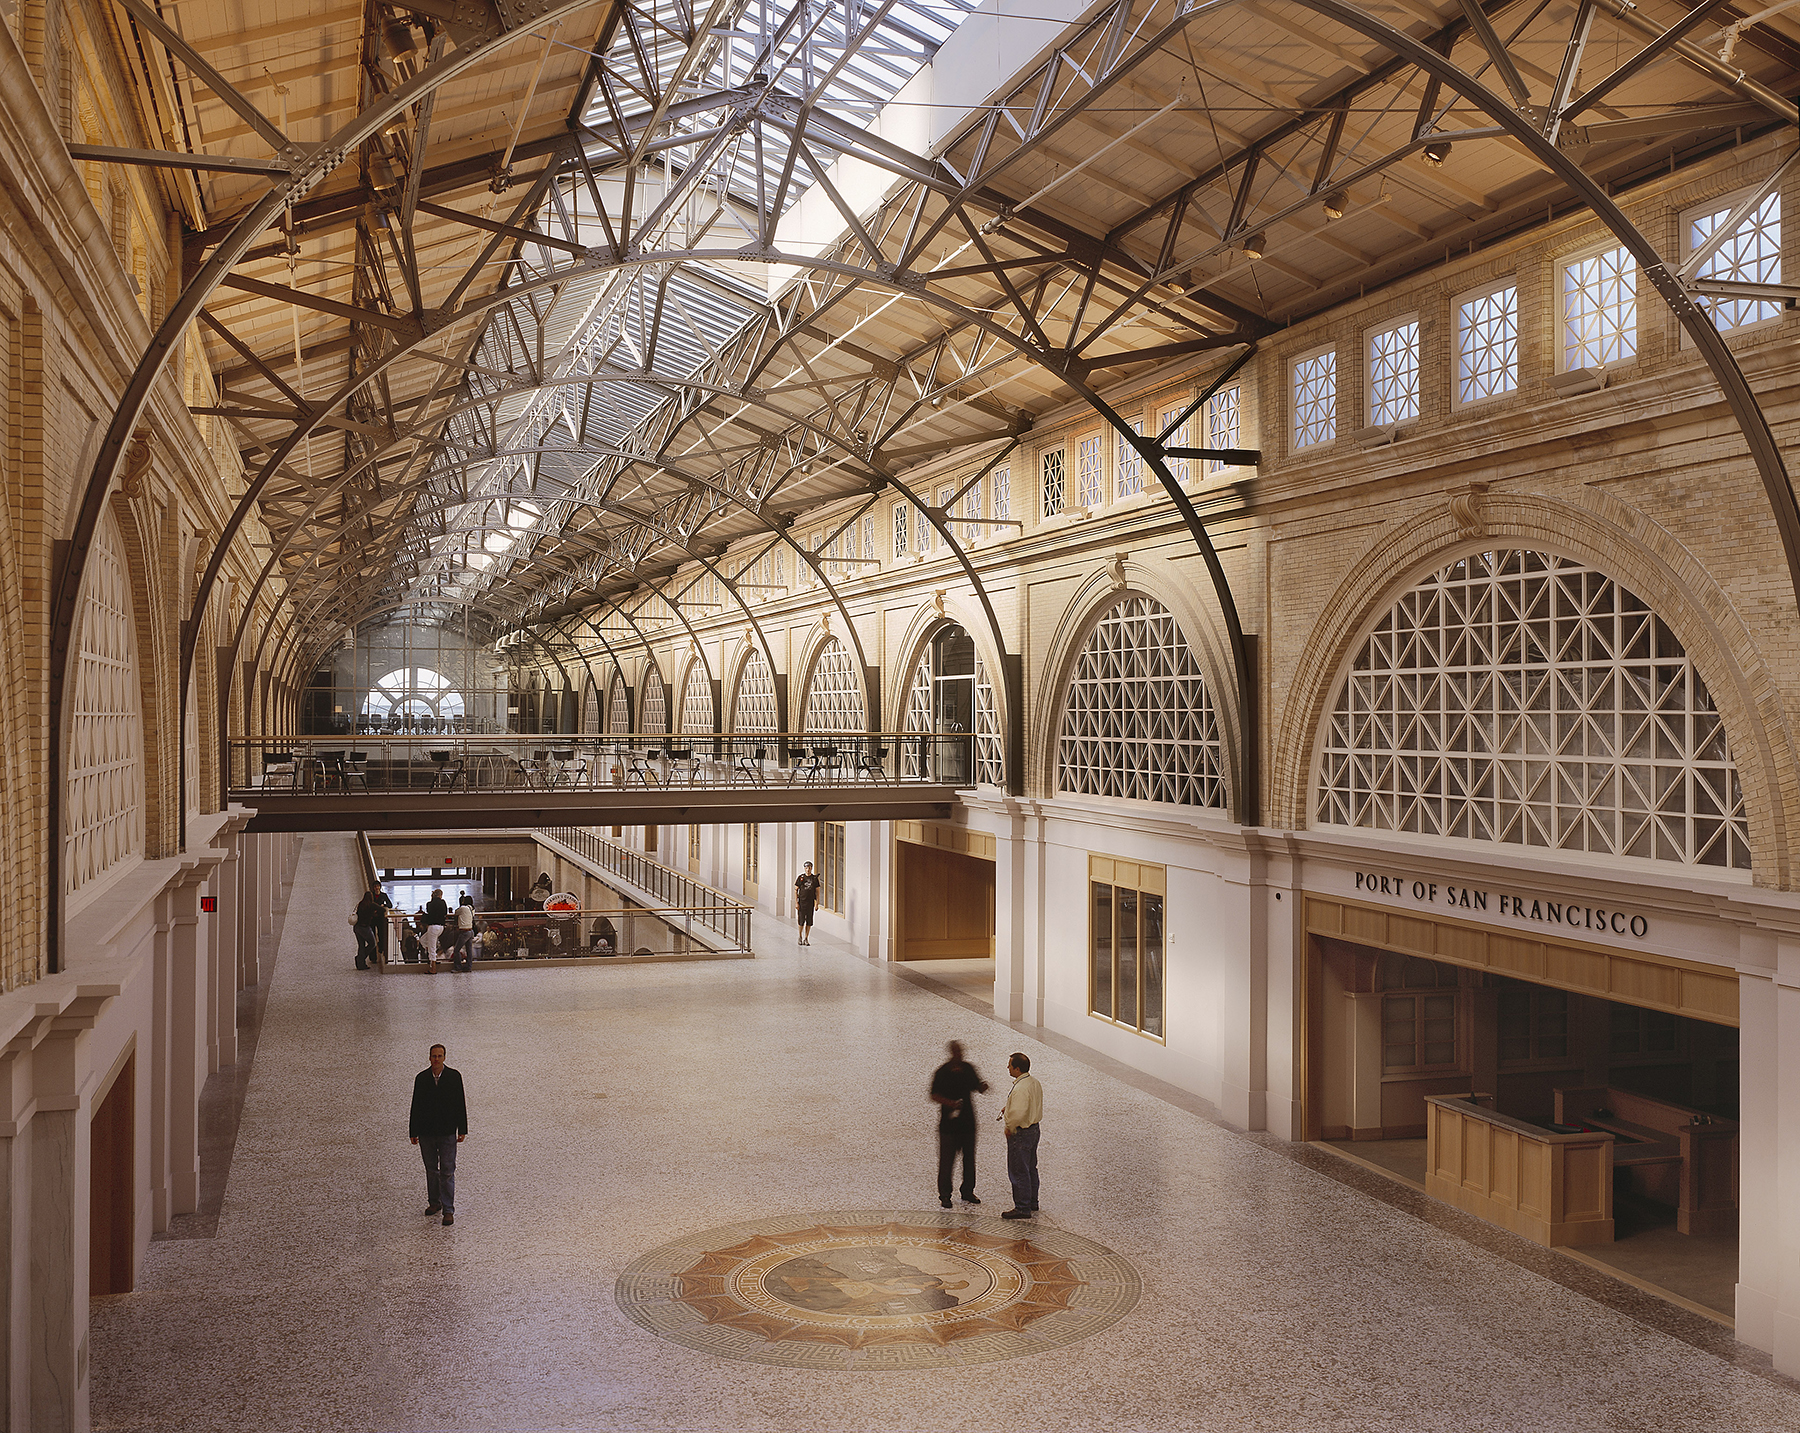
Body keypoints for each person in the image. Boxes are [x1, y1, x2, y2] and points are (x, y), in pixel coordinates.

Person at [408, 1044, 467, 1226]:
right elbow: (415, 1104)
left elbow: (460, 1103)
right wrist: (413, 1131)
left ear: (444, 1057)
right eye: (434, 1056)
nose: (436, 1059)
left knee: (447, 1171)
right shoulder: (421, 1079)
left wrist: (462, 1128)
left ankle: (448, 1210)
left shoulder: (454, 1077)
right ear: (429, 1057)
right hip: (427, 1132)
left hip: (447, 1132)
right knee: (431, 1170)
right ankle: (435, 1202)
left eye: (439, 1056)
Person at [929, 1040, 988, 1208]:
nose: (959, 1055)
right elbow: (933, 1095)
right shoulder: (942, 1072)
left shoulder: (968, 1069)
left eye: (961, 1052)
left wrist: (982, 1087)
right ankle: (945, 1195)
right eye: (956, 1052)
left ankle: (968, 1191)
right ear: (951, 1053)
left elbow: (976, 1085)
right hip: (948, 1127)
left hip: (968, 1124)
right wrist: (951, 1104)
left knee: (969, 1160)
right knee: (947, 1161)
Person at [998, 1052, 1043, 1220]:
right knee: (1031, 1167)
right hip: (1034, 1129)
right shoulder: (1033, 1083)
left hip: (1021, 1133)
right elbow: (1029, 1104)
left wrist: (1009, 1127)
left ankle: (1022, 1207)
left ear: (1017, 1068)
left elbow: (1018, 1113)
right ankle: (1032, 1201)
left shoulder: (1020, 1088)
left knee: (1019, 1169)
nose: (1007, 1067)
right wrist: (1008, 1107)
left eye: (1009, 1065)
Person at [351, 887, 385, 970]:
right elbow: (382, 909)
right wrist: (375, 913)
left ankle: (360, 964)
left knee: (361, 945)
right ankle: (360, 959)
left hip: (356, 927)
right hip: (364, 928)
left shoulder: (360, 904)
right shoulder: (371, 905)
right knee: (372, 944)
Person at [793, 861, 820, 945]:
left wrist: (817, 903)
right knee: (801, 920)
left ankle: (806, 938)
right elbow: (796, 890)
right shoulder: (801, 878)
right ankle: (800, 936)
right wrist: (796, 902)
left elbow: (817, 892)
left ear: (811, 868)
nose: (808, 869)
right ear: (804, 868)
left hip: (810, 902)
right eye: (806, 868)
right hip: (802, 902)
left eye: (809, 868)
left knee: (809, 921)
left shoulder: (814, 879)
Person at [422, 888, 449, 971]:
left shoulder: (429, 904)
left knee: (431, 947)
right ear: (440, 895)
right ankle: (434, 958)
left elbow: (429, 912)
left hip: (432, 927)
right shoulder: (443, 903)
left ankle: (433, 968)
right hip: (441, 927)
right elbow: (445, 913)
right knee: (423, 940)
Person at [451, 892, 476, 971]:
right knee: (469, 950)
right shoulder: (472, 909)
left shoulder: (463, 908)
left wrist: (461, 904)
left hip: (464, 931)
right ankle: (468, 967)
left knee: (456, 949)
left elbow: (456, 912)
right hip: (470, 931)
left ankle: (458, 967)